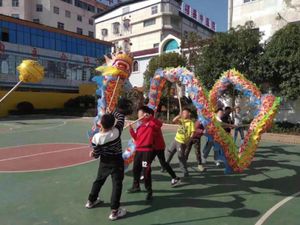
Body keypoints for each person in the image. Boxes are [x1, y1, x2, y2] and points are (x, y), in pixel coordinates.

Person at [86, 110, 126, 221]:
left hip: (104, 162)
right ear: (113, 124)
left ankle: (91, 200)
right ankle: (114, 211)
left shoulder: (96, 138)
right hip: (117, 162)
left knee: (99, 180)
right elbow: (121, 116)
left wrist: (93, 153)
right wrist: (111, 112)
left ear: (101, 124)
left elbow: (97, 154)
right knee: (117, 185)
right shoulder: (116, 132)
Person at [127, 106, 158, 201]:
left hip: (147, 151)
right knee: (136, 169)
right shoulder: (139, 125)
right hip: (139, 151)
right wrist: (131, 129)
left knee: (146, 172)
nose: (138, 115)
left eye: (140, 113)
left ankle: (149, 192)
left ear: (145, 114)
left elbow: (159, 125)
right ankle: (136, 186)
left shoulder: (152, 124)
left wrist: (150, 117)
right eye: (138, 114)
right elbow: (136, 138)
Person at [148, 108, 181, 186]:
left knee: (162, 163)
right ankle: (144, 175)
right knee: (147, 161)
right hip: (153, 146)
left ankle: (175, 178)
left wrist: (151, 118)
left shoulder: (154, 122)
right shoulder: (147, 122)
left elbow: (160, 124)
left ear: (150, 115)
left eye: (145, 113)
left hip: (159, 146)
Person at [166, 108, 195, 177]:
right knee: (169, 153)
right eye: (183, 113)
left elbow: (192, 133)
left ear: (189, 114)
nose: (183, 114)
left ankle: (185, 171)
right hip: (176, 140)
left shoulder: (191, 123)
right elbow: (173, 121)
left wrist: (189, 141)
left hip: (182, 142)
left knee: (181, 157)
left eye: (185, 113)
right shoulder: (181, 120)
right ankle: (165, 166)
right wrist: (179, 115)